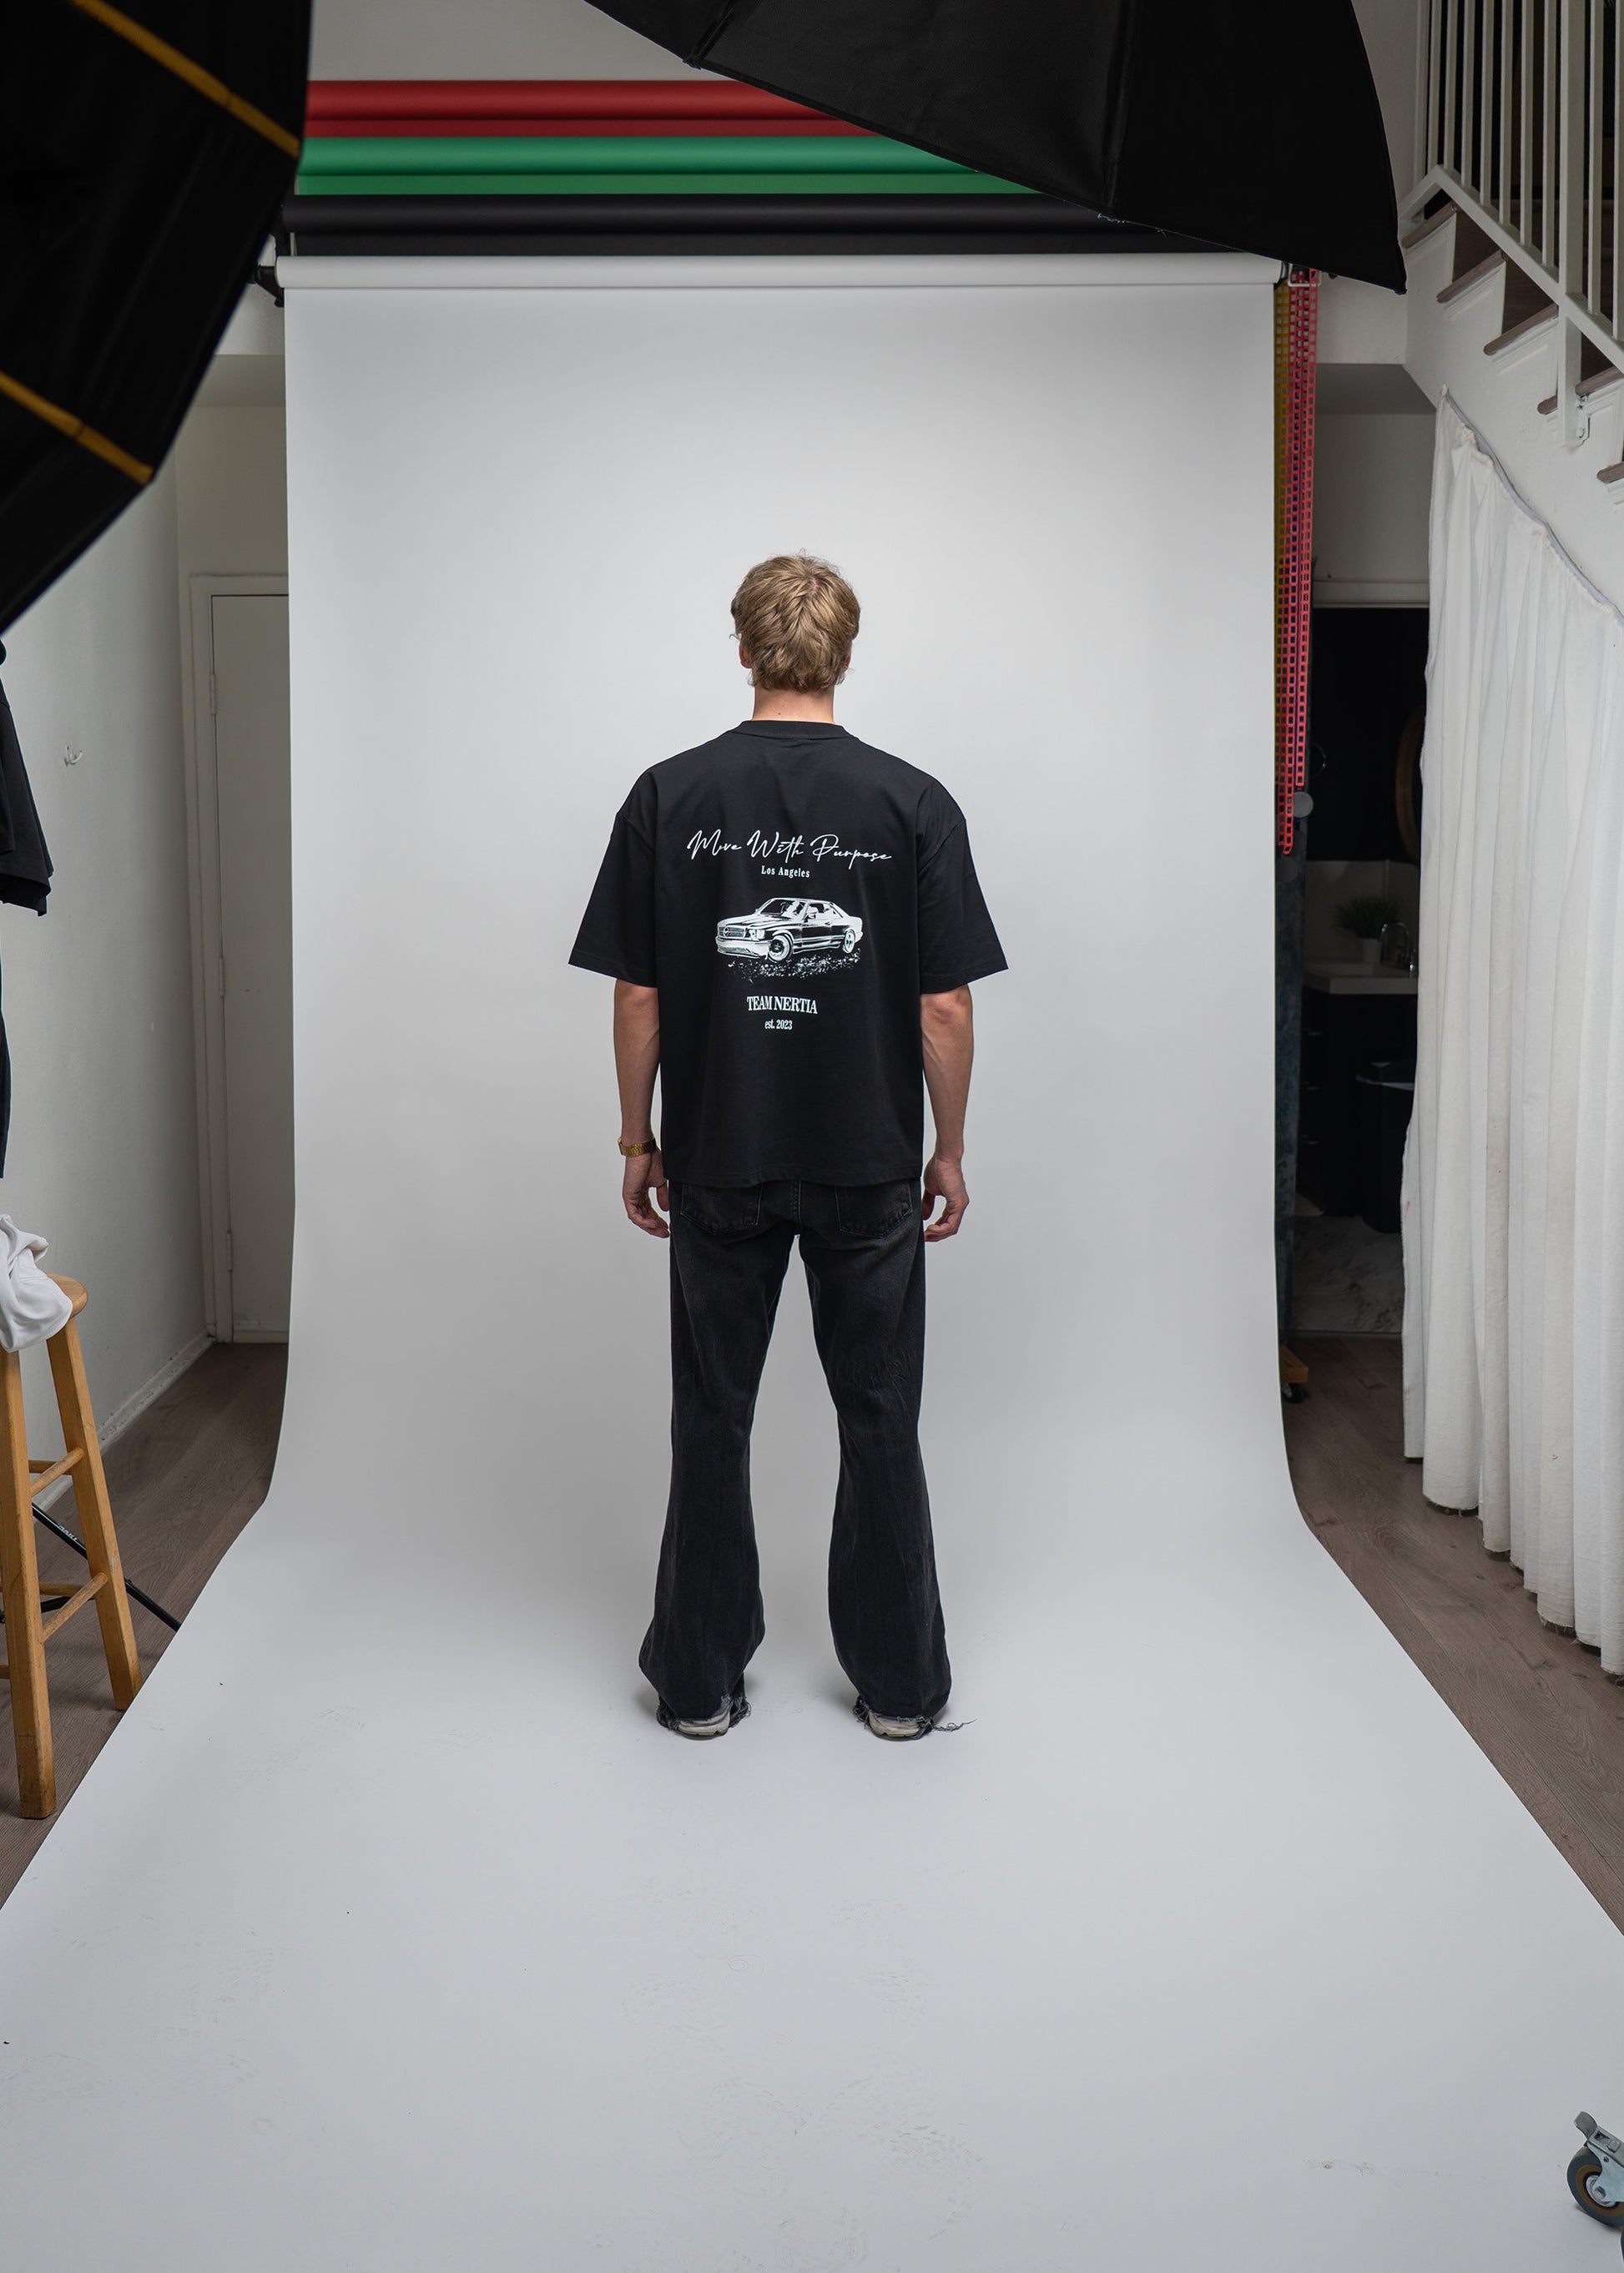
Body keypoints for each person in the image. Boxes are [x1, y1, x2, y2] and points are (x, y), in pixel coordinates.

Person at [569, 553, 1006, 1741]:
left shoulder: (669, 795)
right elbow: (944, 1007)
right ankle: (903, 1690)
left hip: (718, 1155)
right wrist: (947, 1148)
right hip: (868, 1159)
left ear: (745, 648)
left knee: (712, 1414)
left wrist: (634, 1138)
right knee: (878, 1416)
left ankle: (700, 1685)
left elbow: (638, 998)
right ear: (842, 652)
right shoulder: (912, 802)